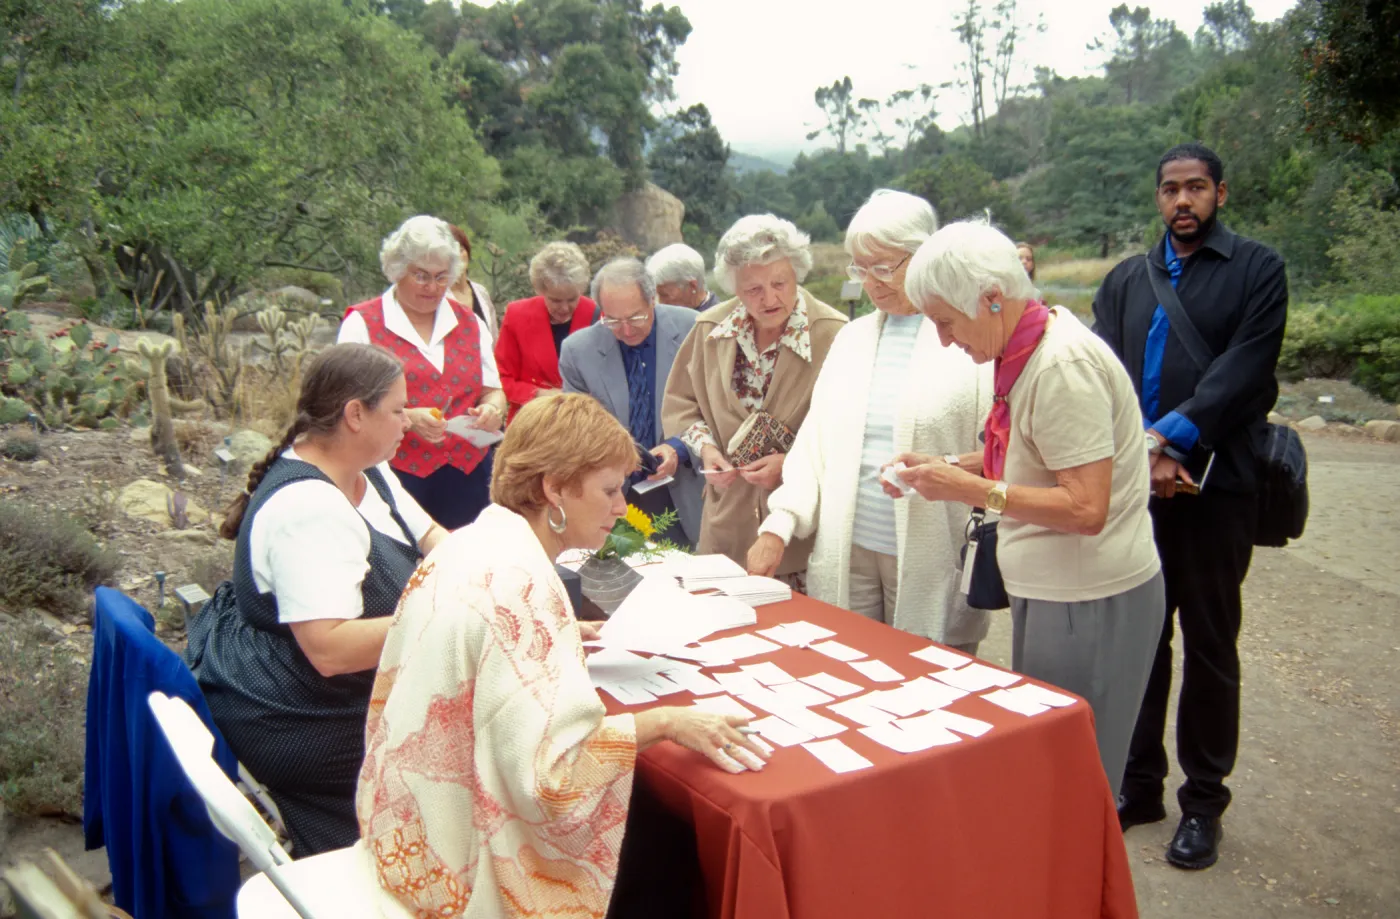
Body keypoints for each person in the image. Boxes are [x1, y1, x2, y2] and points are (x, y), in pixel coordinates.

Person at [356, 393, 768, 917]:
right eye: (611, 490)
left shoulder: (470, 543)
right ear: (553, 489)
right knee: (670, 848)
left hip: (403, 823)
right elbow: (552, 780)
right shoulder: (521, 587)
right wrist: (666, 721)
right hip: (459, 859)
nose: (623, 509)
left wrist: (560, 630)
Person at [889, 220, 1165, 802]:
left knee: (1072, 781)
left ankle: (1080, 891)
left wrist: (968, 490)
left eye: (945, 320)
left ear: (992, 298)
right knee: (1051, 770)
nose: (943, 340)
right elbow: (1031, 453)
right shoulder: (1029, 343)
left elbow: (1086, 506)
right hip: (1061, 592)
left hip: (1091, 596)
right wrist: (950, 465)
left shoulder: (1061, 366)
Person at [1094, 143, 1289, 870]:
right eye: (1172, 188)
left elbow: (1246, 369)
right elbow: (1103, 371)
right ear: (1157, 198)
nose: (1184, 200)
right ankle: (1140, 785)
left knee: (1210, 643)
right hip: (1136, 487)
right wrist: (1135, 449)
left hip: (1217, 486)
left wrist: (1172, 438)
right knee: (1142, 639)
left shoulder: (1258, 270)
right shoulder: (1122, 280)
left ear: (1221, 193)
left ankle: (1202, 802)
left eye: (1197, 187)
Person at [186, 344, 449, 855]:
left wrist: (497, 574)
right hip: (300, 713)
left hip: (329, 692)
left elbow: (431, 534)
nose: (408, 422)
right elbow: (331, 650)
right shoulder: (308, 509)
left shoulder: (366, 467)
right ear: (355, 414)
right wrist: (453, 614)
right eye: (397, 410)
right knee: (465, 748)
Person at [747, 190, 992, 651]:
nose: (872, 283)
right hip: (849, 549)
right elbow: (815, 445)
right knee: (846, 667)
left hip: (931, 554)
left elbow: (1001, 448)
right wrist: (778, 525)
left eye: (884, 267)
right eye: (860, 268)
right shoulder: (851, 339)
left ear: (924, 255)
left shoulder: (968, 338)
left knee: (929, 681)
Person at [662, 214, 847, 582]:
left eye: (779, 283)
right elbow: (681, 405)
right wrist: (708, 451)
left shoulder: (836, 335)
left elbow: (849, 432)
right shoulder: (709, 330)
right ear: (734, 288)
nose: (769, 298)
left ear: (798, 273)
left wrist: (792, 465)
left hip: (800, 536)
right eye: (753, 290)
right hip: (725, 526)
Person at [339, 215, 507, 529]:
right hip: (392, 476)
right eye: (421, 276)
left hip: (469, 479)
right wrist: (407, 418)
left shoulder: (470, 322)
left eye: (442, 277)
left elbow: (492, 389)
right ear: (397, 270)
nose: (432, 287)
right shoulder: (362, 324)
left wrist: (493, 409)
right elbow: (345, 405)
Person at [560, 257, 703, 547]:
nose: (626, 331)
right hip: (616, 494)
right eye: (612, 320)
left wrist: (678, 448)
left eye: (636, 318)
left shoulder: (694, 329)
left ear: (653, 300)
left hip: (687, 486)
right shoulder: (578, 351)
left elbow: (714, 409)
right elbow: (576, 430)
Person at [495, 241, 598, 420]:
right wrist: (537, 394)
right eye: (556, 300)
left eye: (572, 299)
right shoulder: (517, 315)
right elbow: (501, 378)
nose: (565, 308)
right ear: (540, 290)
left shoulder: (596, 314)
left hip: (582, 424)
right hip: (531, 422)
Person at [448, 222, 499, 341]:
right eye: (451, 253)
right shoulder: (438, 297)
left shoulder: (481, 292)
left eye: (460, 250)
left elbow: (495, 338)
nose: (457, 257)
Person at [646, 242, 719, 310]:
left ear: (692, 286)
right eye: (655, 295)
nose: (658, 303)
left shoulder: (718, 321)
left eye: (665, 295)